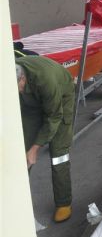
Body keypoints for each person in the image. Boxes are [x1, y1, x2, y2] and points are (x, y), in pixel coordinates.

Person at [16, 55, 75, 223]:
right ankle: (18, 201)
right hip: (31, 104)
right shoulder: (9, 72)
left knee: (58, 153)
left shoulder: (46, 80)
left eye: (18, 87)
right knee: (22, 148)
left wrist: (35, 148)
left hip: (61, 99)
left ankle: (63, 203)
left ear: (23, 78)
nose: (17, 92)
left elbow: (54, 116)